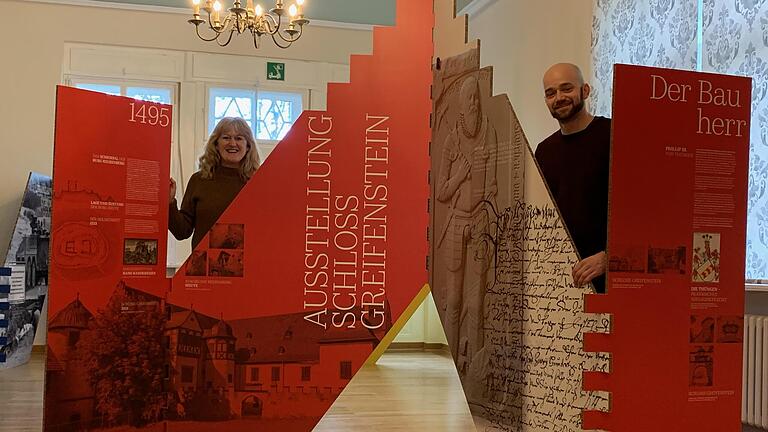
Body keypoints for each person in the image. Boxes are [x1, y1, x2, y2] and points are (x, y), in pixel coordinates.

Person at [435, 74, 497, 368]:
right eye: (468, 99)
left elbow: (495, 187)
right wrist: (460, 173)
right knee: (455, 300)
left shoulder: (489, 133)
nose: (473, 103)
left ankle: (475, 369)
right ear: (461, 105)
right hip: (456, 223)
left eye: (476, 98)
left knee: (476, 304)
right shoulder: (451, 141)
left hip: (481, 222)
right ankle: (448, 365)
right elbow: (441, 192)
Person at [535, 63, 610, 293]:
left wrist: (610, 258)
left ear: (585, 91)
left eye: (566, 88)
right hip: (562, 283)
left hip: (608, 279)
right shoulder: (544, 151)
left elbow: (641, 210)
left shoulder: (614, 135)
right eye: (551, 93)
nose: (559, 97)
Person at [169, 117, 260, 249]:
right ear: (216, 144)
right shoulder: (199, 180)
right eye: (226, 137)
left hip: (250, 266)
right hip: (204, 266)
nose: (233, 143)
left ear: (248, 146)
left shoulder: (259, 183)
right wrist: (170, 203)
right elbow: (182, 232)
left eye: (239, 138)